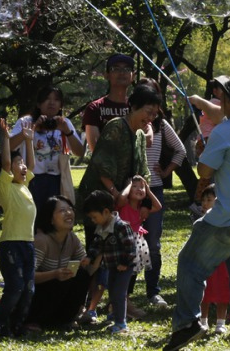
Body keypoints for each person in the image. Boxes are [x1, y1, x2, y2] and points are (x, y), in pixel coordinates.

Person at [164, 72, 230, 351]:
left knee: (190, 262)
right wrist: (199, 102)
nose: (218, 97)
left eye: (222, 94)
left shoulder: (224, 132)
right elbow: (219, 115)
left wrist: (204, 150)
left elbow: (204, 171)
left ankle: (188, 322)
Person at [77, 83, 159, 323]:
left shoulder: (140, 134)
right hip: (102, 201)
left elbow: (142, 172)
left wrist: (139, 199)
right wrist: (115, 193)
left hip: (122, 203)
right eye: (147, 111)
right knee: (98, 252)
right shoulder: (116, 127)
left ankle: (119, 301)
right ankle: (86, 305)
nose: (150, 118)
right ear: (133, 107)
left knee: (125, 253)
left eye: (155, 114)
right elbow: (102, 165)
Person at [136, 77, 185, 309]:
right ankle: (123, 293)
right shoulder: (128, 122)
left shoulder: (161, 125)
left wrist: (166, 171)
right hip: (131, 191)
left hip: (153, 188)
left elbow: (181, 150)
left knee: (152, 243)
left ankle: (153, 291)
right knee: (130, 241)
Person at [0, 119, 37, 337]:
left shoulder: (24, 186)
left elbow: (32, 165)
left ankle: (17, 324)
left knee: (28, 289)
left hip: (28, 244)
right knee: (15, 286)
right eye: (19, 164)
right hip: (11, 245)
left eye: (22, 163)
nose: (23, 166)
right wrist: (7, 138)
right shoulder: (6, 186)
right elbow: (6, 163)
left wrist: (28, 141)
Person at [11, 86, 85, 209]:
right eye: (47, 99)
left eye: (56, 99)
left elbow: (79, 152)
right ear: (39, 104)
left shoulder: (64, 123)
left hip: (55, 179)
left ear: (61, 105)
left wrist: (67, 131)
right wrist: (34, 128)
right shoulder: (26, 121)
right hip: (31, 178)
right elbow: (9, 146)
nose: (51, 103)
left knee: (52, 220)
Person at [27, 195, 91, 331]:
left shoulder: (72, 239)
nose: (69, 213)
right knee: (57, 283)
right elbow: (28, 276)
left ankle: (66, 319)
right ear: (50, 219)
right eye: (62, 210)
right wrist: (54, 274)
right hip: (39, 296)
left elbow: (86, 264)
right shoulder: (42, 240)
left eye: (70, 209)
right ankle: (33, 320)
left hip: (58, 295)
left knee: (82, 275)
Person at [83, 189, 137, 336]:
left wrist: (125, 262)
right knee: (112, 291)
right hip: (111, 266)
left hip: (124, 267)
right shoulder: (101, 227)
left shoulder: (121, 226)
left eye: (94, 217)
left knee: (119, 293)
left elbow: (131, 247)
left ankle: (121, 323)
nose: (93, 221)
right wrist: (90, 257)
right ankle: (115, 315)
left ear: (106, 212)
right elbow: (97, 244)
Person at [117, 174, 160, 319]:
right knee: (125, 273)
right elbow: (122, 198)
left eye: (141, 187)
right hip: (125, 244)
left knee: (133, 273)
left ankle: (125, 301)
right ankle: (123, 303)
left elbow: (158, 206)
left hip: (137, 243)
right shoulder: (124, 205)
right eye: (134, 186)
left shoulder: (143, 208)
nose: (139, 189)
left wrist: (147, 190)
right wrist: (129, 186)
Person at [82, 53, 135, 153]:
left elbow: (146, 139)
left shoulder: (136, 107)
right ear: (106, 75)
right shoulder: (94, 108)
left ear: (133, 76)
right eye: (116, 69)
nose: (122, 73)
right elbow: (96, 149)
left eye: (127, 69)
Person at [197, 184, 230, 334]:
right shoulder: (199, 219)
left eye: (209, 199)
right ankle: (203, 321)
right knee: (204, 291)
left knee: (224, 291)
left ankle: (220, 323)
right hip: (205, 261)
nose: (205, 203)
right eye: (203, 200)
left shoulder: (227, 219)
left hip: (222, 261)